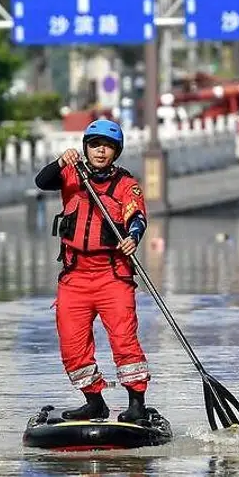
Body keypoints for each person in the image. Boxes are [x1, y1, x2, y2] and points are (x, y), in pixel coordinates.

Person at [35, 119, 151, 424]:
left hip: (113, 275)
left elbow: (136, 216)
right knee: (72, 344)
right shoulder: (71, 175)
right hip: (74, 277)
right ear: (86, 147)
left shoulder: (127, 185)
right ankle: (94, 401)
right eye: (95, 145)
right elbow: (42, 181)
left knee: (124, 341)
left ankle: (136, 404)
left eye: (108, 146)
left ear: (116, 152)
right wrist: (61, 161)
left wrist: (132, 237)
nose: (101, 151)